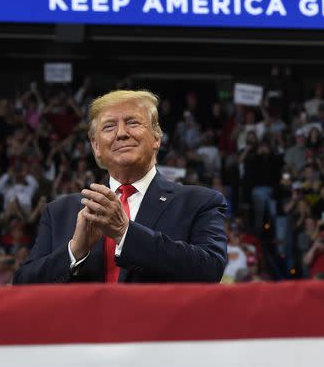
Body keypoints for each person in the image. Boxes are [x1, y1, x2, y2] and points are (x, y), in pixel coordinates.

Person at [13, 90, 227, 284]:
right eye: (109, 127)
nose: (121, 133)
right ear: (96, 146)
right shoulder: (59, 211)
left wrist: (125, 233)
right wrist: (74, 252)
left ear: (156, 138)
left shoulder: (200, 202)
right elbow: (23, 285)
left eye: (133, 123)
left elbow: (209, 271)